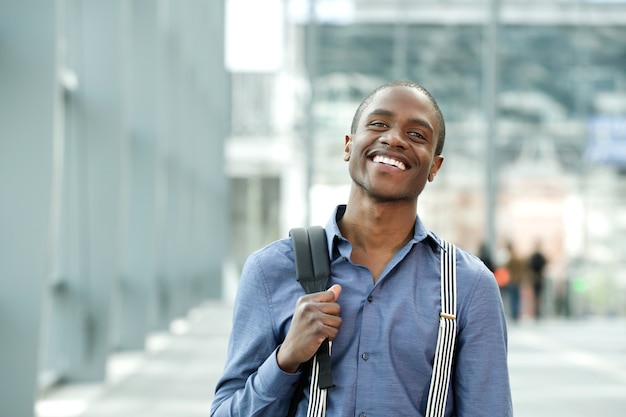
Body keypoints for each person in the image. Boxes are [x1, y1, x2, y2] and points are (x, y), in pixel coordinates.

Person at [210, 81, 513, 416]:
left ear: (434, 168)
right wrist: (287, 358)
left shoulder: (468, 286)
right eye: (378, 124)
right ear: (348, 146)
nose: (394, 138)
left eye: (416, 135)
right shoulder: (271, 269)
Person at [529, 240, 548, 319]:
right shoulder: (540, 256)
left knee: (537, 295)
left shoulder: (535, 256)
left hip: (537, 278)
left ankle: (537, 311)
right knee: (538, 295)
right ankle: (537, 311)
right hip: (539, 278)